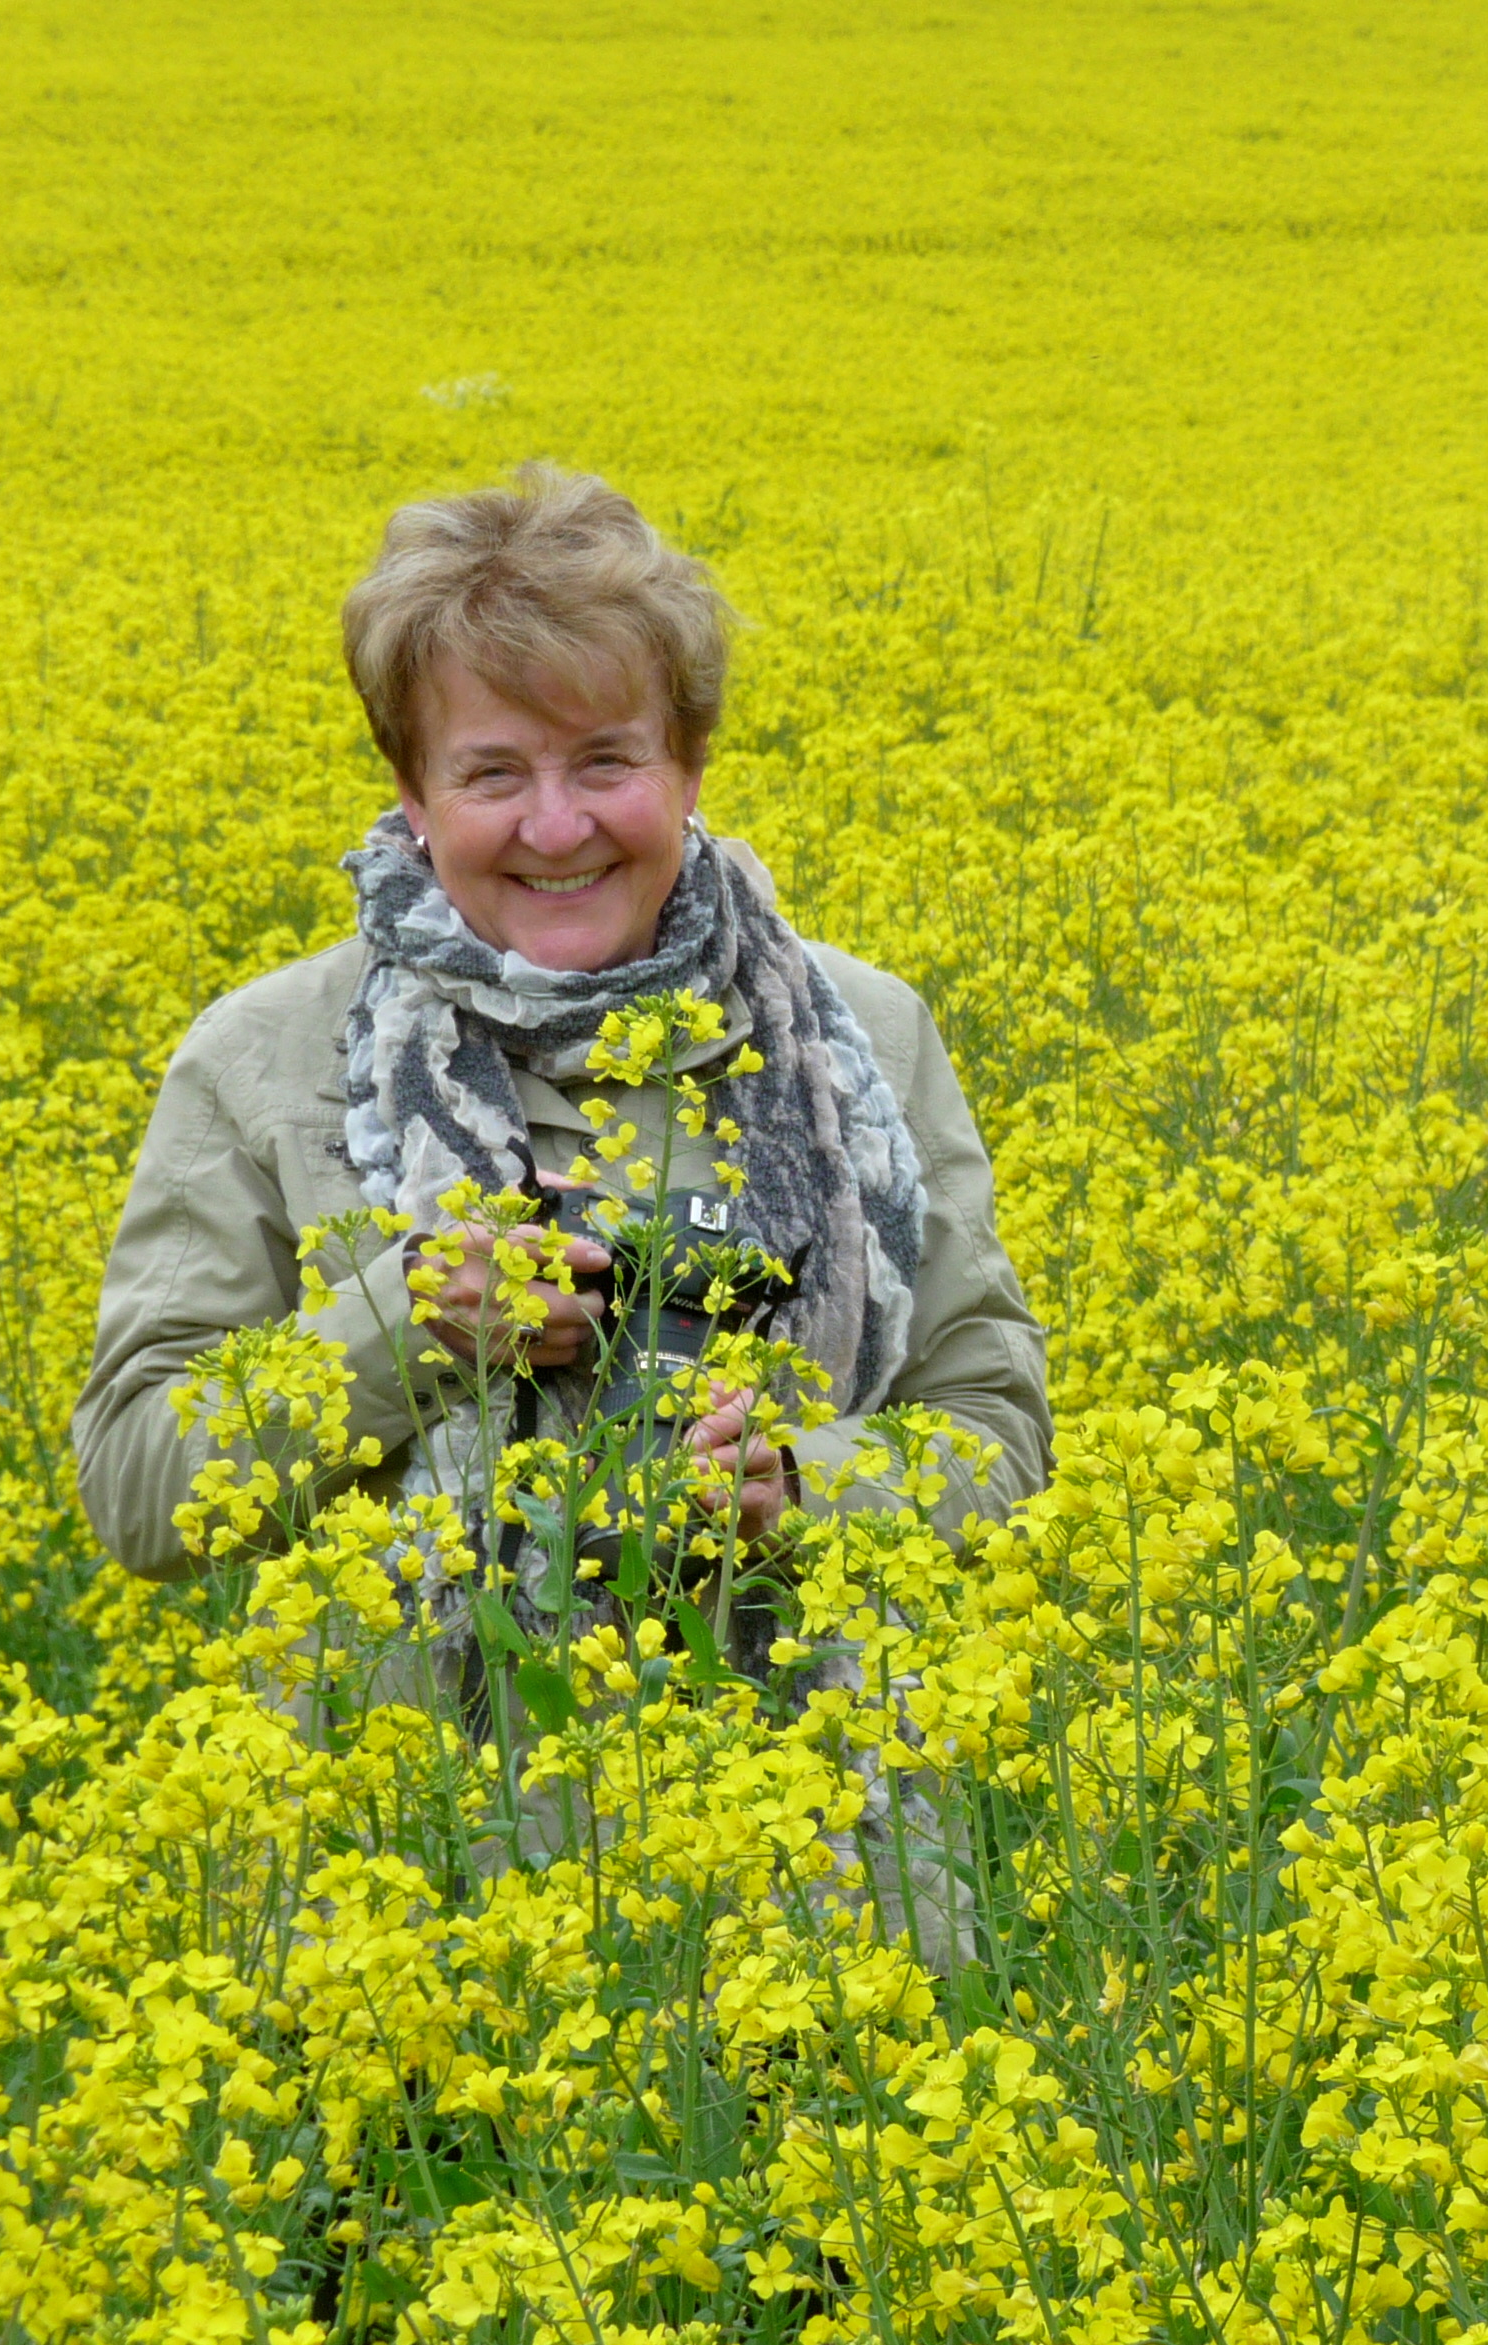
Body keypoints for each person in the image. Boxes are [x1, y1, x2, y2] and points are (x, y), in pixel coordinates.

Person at [75, 466, 1052, 1599]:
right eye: (492, 772)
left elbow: (998, 1430)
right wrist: (409, 1323)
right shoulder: (268, 1056)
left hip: (814, 1758)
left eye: (605, 759)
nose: (555, 824)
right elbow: (137, 1494)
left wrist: (801, 1485)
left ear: (687, 765)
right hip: (423, 1776)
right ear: (412, 789)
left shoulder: (860, 1036)